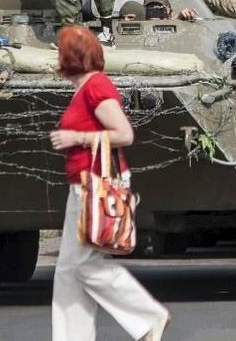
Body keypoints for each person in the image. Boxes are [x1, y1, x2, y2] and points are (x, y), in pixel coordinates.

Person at [48, 26, 170, 340]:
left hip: (97, 183)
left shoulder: (96, 86)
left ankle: (149, 317)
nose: (56, 55)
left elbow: (124, 134)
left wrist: (78, 137)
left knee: (85, 265)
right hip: (83, 183)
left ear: (71, 56)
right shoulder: (83, 87)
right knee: (67, 270)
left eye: (60, 49)